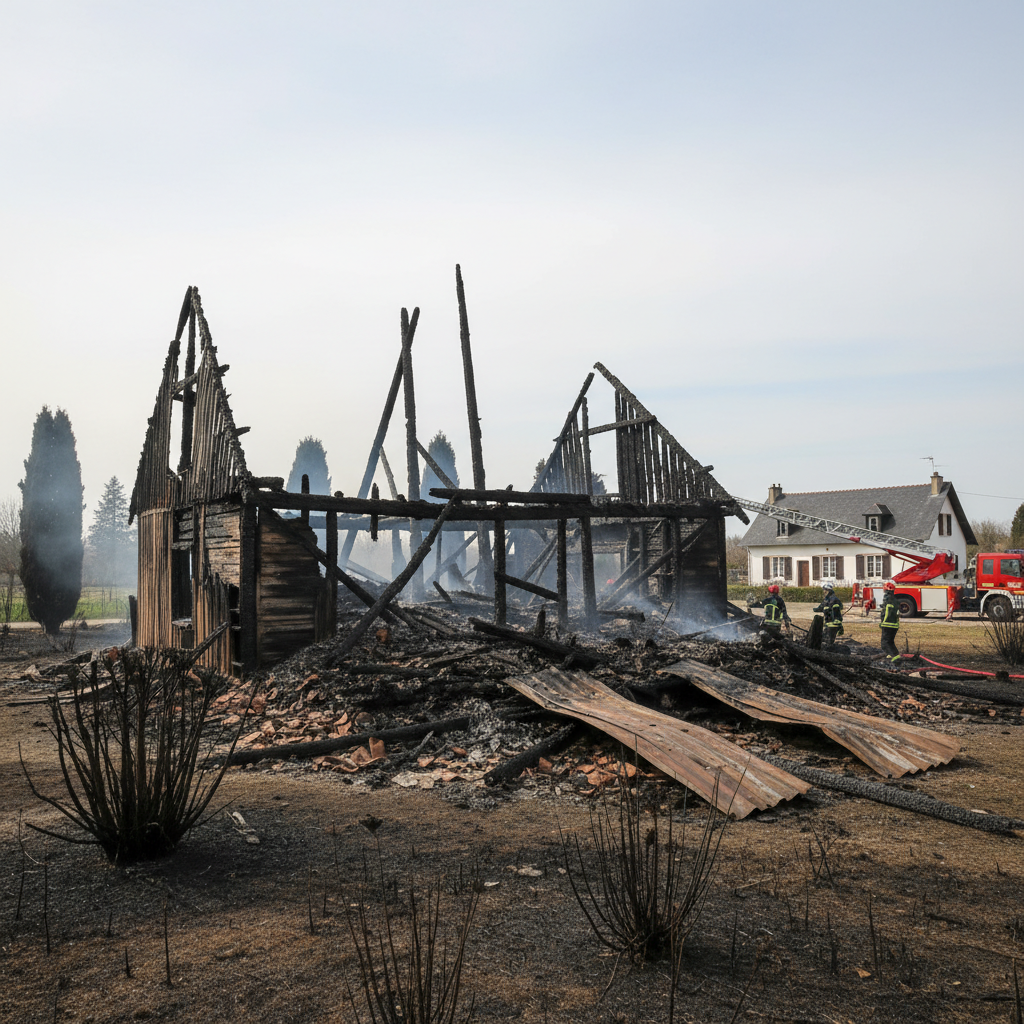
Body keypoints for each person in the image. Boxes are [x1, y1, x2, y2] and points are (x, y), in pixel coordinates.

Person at [813, 581, 844, 646]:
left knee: (828, 642)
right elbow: (822, 607)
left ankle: (830, 653)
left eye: (825, 590)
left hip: (833, 625)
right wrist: (815, 609)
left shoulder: (834, 600)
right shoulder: (827, 599)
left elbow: (837, 612)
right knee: (824, 640)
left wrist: (838, 625)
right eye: (824, 590)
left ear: (828, 591)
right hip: (828, 624)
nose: (824, 592)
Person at [879, 580, 901, 663]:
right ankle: (895, 657)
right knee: (890, 642)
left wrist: (882, 623)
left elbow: (886, 612)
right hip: (895, 625)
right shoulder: (895, 600)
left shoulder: (887, 599)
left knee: (885, 643)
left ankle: (895, 661)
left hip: (887, 624)